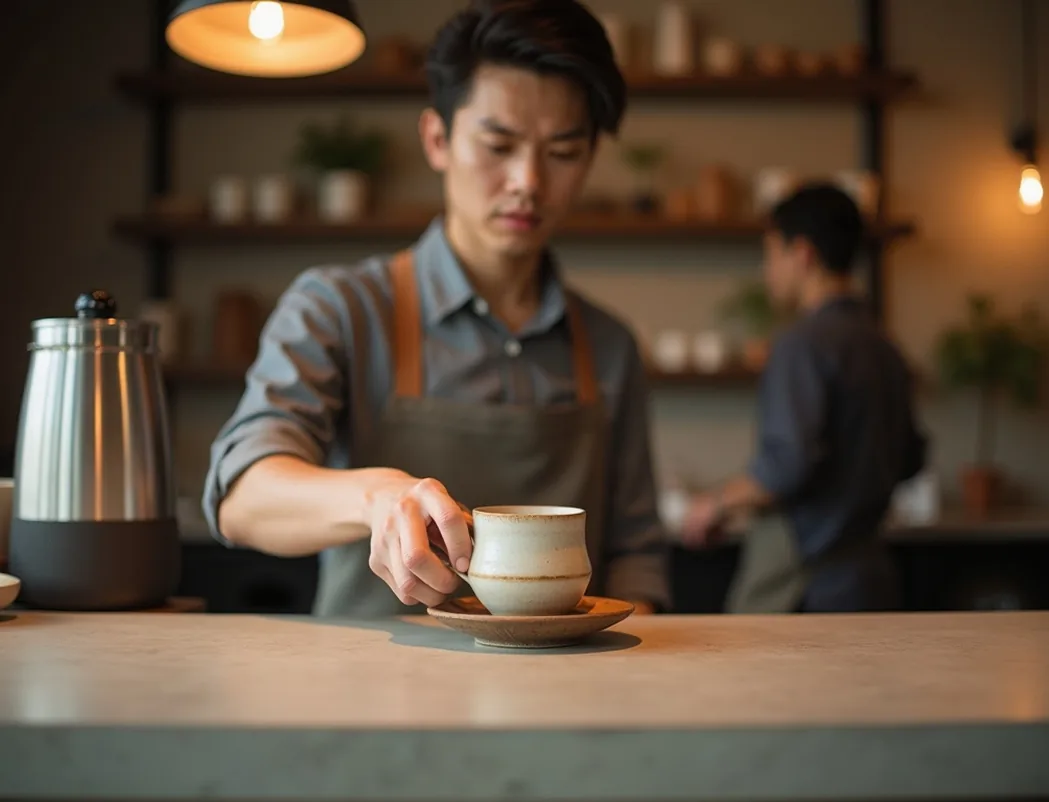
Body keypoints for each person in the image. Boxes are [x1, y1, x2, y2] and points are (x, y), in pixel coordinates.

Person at [201, 0, 670, 617]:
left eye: (561, 152)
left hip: (562, 699)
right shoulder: (341, 307)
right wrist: (375, 496)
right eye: (498, 144)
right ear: (437, 138)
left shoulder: (608, 346)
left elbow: (635, 551)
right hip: (369, 699)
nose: (528, 180)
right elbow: (243, 497)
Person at [681, 183, 927, 614]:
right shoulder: (884, 345)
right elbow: (911, 458)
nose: (766, 269)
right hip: (871, 577)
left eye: (771, 253)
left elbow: (787, 465)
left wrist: (714, 504)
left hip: (806, 581)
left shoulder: (803, 344)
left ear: (803, 253)